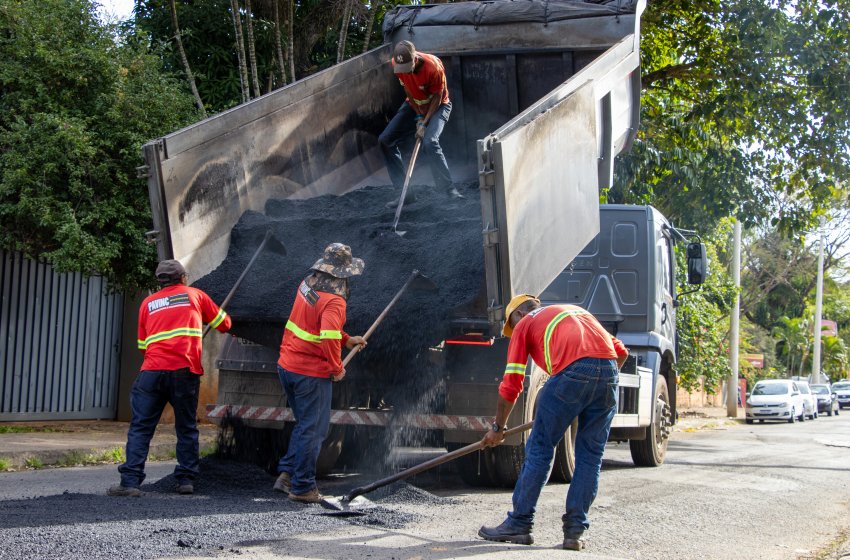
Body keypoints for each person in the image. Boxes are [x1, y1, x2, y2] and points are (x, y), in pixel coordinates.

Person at [478, 295, 629, 551]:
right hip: (609, 375)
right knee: (590, 458)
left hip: (571, 374)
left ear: (517, 315)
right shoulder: (576, 311)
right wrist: (594, 387)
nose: (513, 332)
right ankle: (575, 533)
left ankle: (520, 523)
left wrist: (497, 428)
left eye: (511, 326)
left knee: (540, 449)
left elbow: (512, 383)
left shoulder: (525, 324)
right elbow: (621, 352)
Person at [108, 259, 232, 497]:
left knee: (141, 428)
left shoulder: (147, 303)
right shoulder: (195, 296)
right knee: (185, 427)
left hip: (151, 373)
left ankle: (130, 483)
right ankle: (186, 480)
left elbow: (143, 346)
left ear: (160, 281)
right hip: (183, 372)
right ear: (183, 277)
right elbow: (225, 324)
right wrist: (202, 317)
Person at [273, 243, 367, 503]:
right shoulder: (335, 301)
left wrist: (346, 339)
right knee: (314, 430)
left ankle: (287, 475)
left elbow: (313, 324)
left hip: (287, 365)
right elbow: (326, 338)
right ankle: (303, 487)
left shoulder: (307, 285)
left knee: (304, 425)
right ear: (343, 272)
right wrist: (336, 369)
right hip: (309, 374)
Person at [379, 40, 462, 207]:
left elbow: (438, 98)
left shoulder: (433, 67)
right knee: (385, 140)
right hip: (413, 104)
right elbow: (408, 89)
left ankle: (449, 189)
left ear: (415, 58)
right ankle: (405, 193)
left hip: (438, 106)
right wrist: (418, 116)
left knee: (430, 142)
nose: (405, 71)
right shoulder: (398, 64)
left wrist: (424, 122)